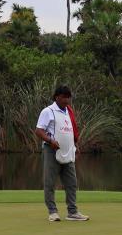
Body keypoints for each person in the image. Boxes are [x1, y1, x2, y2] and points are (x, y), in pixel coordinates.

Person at [35, 85, 89, 222]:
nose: (67, 100)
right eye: (64, 97)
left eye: (68, 97)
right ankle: (52, 212)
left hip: (68, 151)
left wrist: (74, 145)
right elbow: (39, 130)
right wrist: (50, 140)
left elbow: (70, 132)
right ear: (57, 97)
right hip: (51, 150)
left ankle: (72, 212)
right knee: (50, 182)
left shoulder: (68, 112)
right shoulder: (48, 111)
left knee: (71, 183)